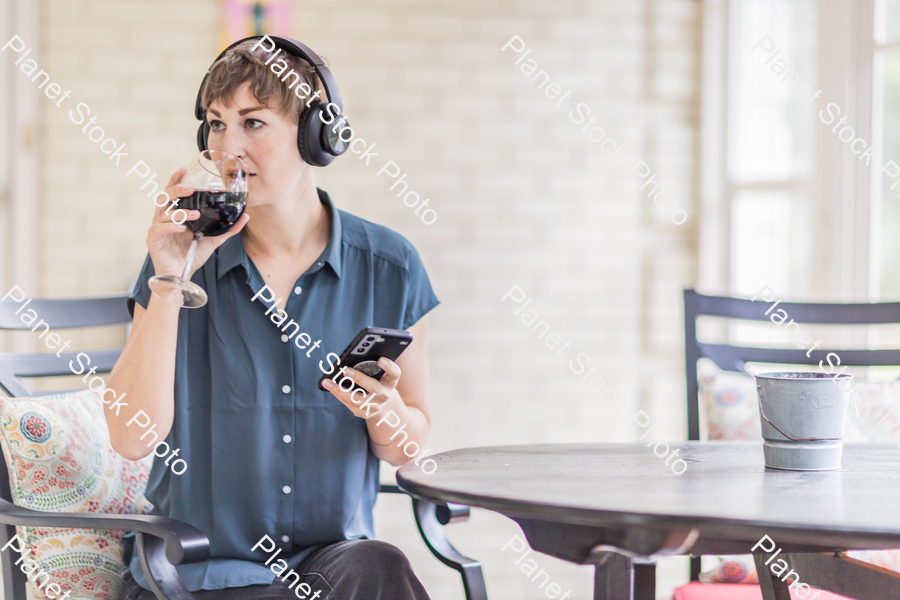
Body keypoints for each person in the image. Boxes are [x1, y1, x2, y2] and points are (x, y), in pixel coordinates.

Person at [106, 38, 437, 600]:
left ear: (317, 136)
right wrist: (168, 280)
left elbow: (409, 447)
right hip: (199, 575)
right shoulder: (181, 264)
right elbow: (131, 438)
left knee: (379, 566)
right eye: (215, 125)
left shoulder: (389, 265)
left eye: (253, 124)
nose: (227, 147)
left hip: (333, 572)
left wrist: (386, 413)